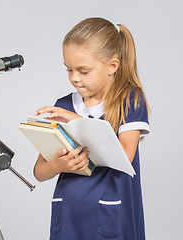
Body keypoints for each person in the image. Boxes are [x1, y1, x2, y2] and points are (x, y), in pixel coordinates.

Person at [33, 17, 150, 240]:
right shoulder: (63, 105)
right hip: (68, 216)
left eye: (83, 71)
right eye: (69, 70)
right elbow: (39, 171)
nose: (74, 78)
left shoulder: (130, 101)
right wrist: (58, 165)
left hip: (111, 217)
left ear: (112, 66)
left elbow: (124, 156)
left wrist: (76, 120)